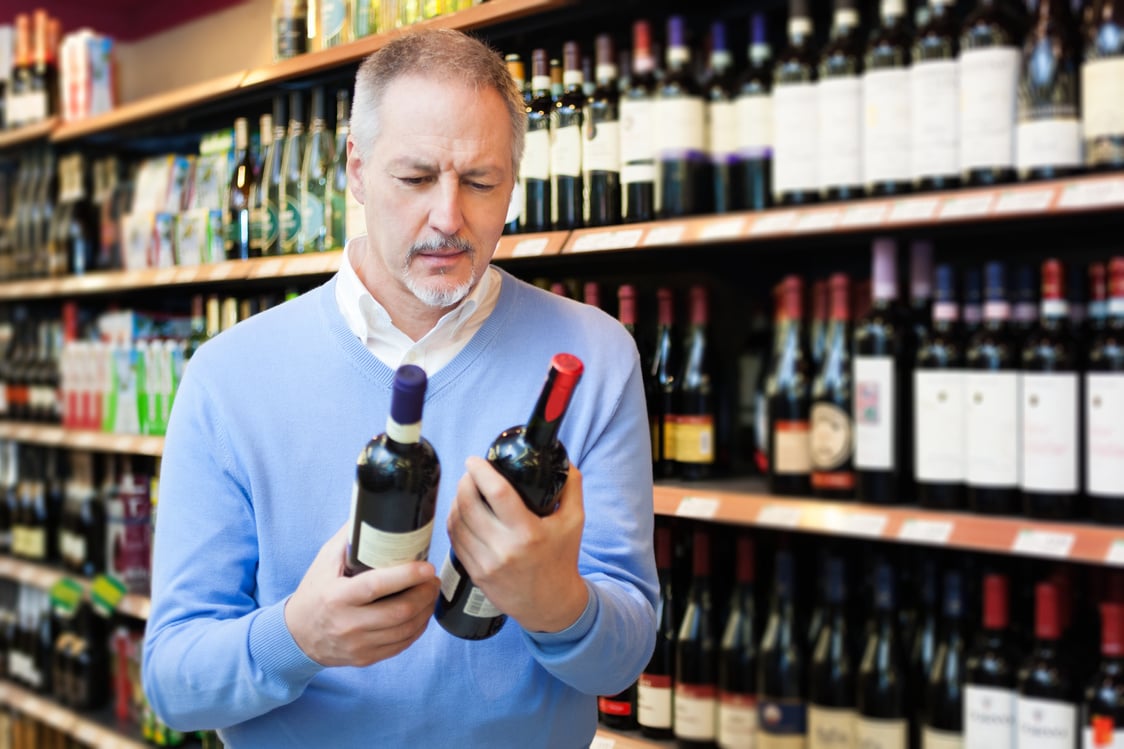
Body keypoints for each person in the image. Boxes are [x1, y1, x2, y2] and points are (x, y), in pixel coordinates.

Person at [142, 28, 658, 748]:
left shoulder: (595, 355)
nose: (449, 217)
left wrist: (558, 603)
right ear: (355, 168)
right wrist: (300, 634)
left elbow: (626, 654)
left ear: (515, 177)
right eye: (415, 178)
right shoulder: (228, 376)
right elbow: (173, 682)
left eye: (481, 181)